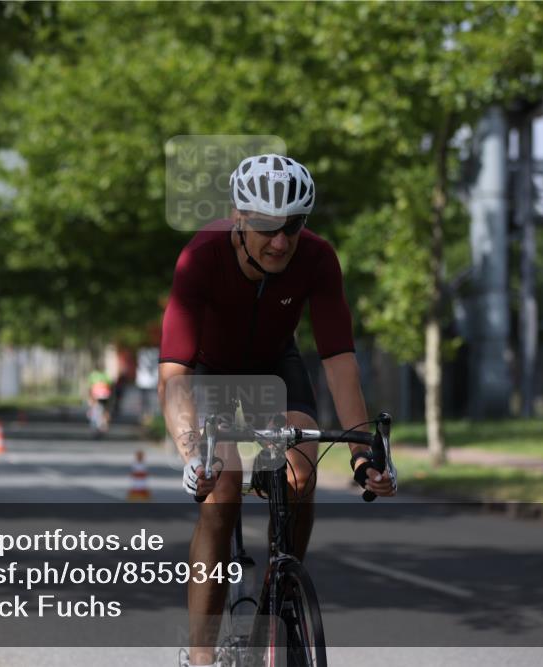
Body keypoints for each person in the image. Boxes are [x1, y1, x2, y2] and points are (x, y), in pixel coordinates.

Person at [158, 153, 397, 667]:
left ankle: (281, 581)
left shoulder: (317, 258)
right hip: (211, 372)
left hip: (275, 369)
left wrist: (362, 454)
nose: (281, 241)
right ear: (239, 217)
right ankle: (199, 655)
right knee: (223, 482)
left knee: (300, 467)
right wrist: (189, 453)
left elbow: (338, 360)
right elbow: (173, 372)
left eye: (293, 226)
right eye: (266, 226)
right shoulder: (200, 256)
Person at [86, 368, 113, 437]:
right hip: (105, 395)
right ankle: (105, 424)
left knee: (94, 408)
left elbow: (90, 387)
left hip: (96, 394)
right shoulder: (106, 376)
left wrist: (90, 397)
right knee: (105, 410)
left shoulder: (93, 375)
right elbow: (110, 385)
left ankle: (97, 423)